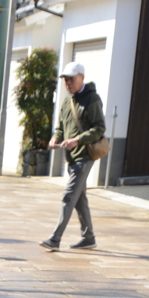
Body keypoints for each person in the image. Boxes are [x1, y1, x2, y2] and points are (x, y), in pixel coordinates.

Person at [40, 61, 105, 251]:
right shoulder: (67, 102)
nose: (68, 83)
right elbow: (60, 126)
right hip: (72, 157)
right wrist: (55, 137)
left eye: (71, 79)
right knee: (79, 198)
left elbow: (99, 128)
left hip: (85, 156)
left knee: (69, 196)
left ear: (82, 78)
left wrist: (78, 139)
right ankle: (89, 237)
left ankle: (55, 238)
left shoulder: (92, 99)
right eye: (65, 80)